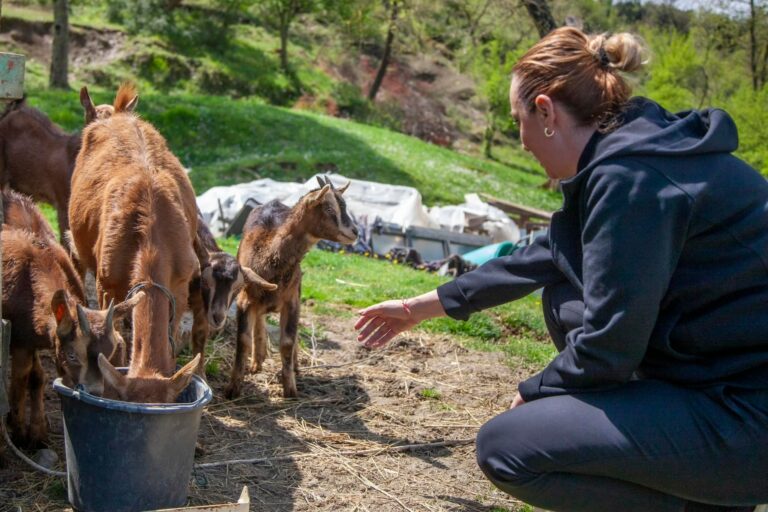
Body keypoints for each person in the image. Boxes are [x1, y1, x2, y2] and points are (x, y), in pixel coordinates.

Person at [355, 26, 768, 512]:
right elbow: (546, 255)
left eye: (518, 121)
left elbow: (611, 344)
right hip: (722, 377)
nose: (522, 141)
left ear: (546, 112)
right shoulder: (635, 152)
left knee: (507, 448)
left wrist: (537, 393)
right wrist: (416, 308)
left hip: (746, 412)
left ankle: (709, 505)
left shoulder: (630, 179)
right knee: (565, 301)